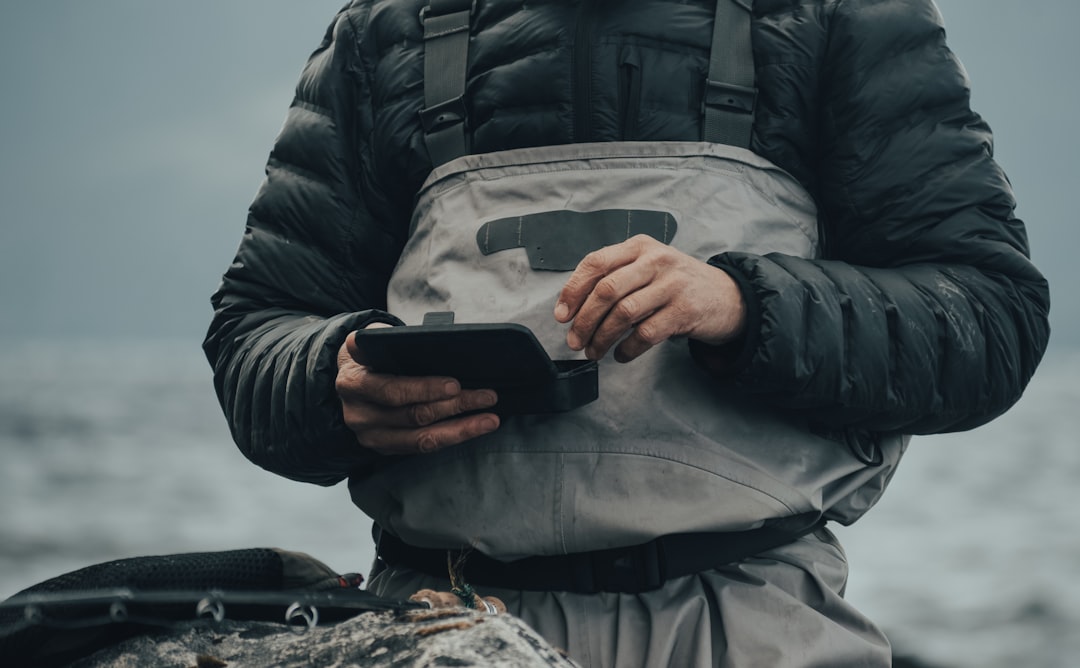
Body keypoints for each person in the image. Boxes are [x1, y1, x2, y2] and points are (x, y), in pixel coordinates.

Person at [204, 1, 1050, 665]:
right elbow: (255, 330)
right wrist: (331, 381)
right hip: (438, 626)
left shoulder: (840, 17)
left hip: (751, 629)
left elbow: (987, 317)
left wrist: (743, 305)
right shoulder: (380, 33)